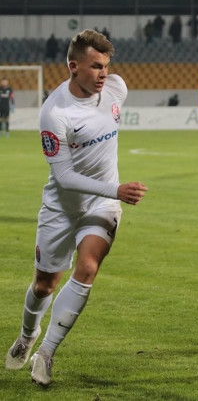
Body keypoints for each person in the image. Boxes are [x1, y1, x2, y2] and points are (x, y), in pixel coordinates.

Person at [4, 29, 148, 387]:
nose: (103, 74)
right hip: (62, 208)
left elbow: (111, 87)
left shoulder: (116, 88)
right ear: (74, 66)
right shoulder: (55, 113)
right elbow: (64, 176)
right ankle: (28, 335)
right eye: (96, 66)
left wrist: (112, 193)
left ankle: (46, 353)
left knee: (87, 268)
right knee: (44, 285)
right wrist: (117, 188)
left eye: (106, 66)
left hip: (103, 203)